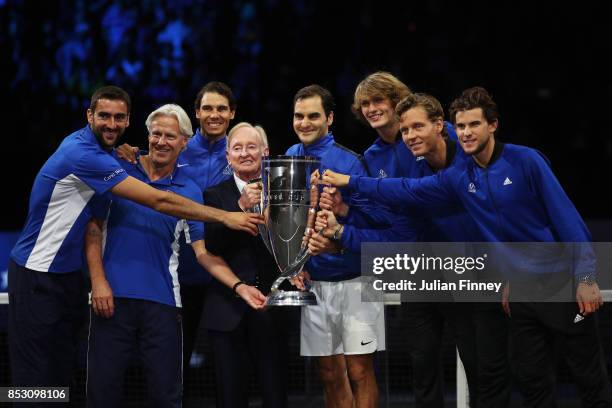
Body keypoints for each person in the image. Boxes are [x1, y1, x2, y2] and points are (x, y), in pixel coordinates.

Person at [322, 86, 611, 407]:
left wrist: (585, 277)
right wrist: (350, 188)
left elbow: (568, 219)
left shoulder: (525, 160)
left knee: (588, 379)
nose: (467, 132)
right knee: (533, 383)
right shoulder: (459, 178)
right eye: (461, 126)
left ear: (492, 125)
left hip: (562, 284)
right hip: (518, 294)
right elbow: (404, 190)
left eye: (473, 124)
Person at [7, 86, 261, 391]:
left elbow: (200, 248)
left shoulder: (111, 156)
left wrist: (132, 152)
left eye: (118, 118)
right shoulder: (83, 153)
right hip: (36, 273)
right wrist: (226, 216)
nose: (111, 124)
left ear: (128, 121)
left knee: (61, 372)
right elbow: (159, 201)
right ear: (89, 115)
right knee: (32, 377)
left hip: (69, 276)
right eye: (103, 116)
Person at [85, 104, 237, 407]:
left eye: (170, 136)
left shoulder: (190, 190)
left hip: (164, 306)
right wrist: (98, 282)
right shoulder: (118, 169)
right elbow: (93, 230)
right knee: (101, 394)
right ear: (148, 136)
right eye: (156, 134)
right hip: (110, 299)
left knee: (166, 397)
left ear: (184, 142)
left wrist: (238, 286)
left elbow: (202, 253)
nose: (161, 141)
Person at [288, 84, 385, 408]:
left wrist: (343, 208)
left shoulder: (351, 163)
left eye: (313, 116)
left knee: (359, 370)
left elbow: (375, 222)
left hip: (355, 281)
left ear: (329, 118)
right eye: (299, 116)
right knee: (328, 373)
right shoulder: (287, 159)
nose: (305, 122)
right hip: (315, 283)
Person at [201, 122, 290, 407]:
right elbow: (212, 246)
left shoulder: (284, 191)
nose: (244, 153)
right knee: (229, 396)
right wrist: (238, 208)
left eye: (251, 147)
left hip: (271, 308)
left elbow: (291, 245)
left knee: (275, 395)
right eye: (237, 148)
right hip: (227, 310)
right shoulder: (214, 195)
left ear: (265, 152)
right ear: (228, 156)